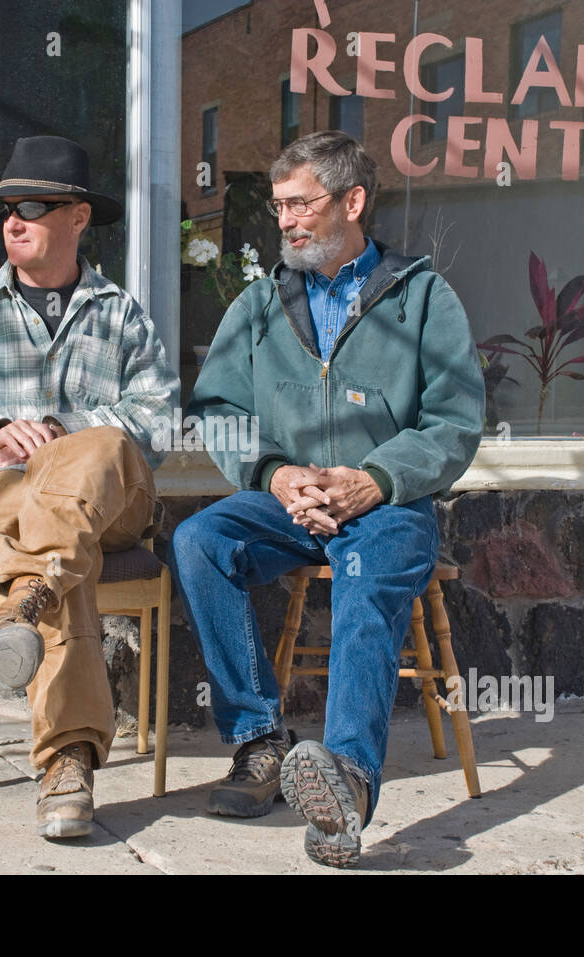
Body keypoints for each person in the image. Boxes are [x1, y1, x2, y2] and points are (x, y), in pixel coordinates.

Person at [169, 130, 485, 868]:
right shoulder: (257, 305)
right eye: (278, 206)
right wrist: (275, 474)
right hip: (287, 501)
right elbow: (218, 408)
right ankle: (258, 744)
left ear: (353, 201)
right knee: (200, 541)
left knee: (365, 579)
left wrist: (373, 478)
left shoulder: (424, 297)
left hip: (386, 508)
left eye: (300, 204)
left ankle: (345, 784)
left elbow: (456, 421)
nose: (285, 221)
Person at [0, 135, 179, 840]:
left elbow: (159, 425)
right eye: (4, 209)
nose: (11, 221)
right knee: (60, 557)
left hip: (109, 506)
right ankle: (66, 761)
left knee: (102, 448)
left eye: (30, 206)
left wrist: (60, 429)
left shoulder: (123, 315)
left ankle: (22, 622)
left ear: (78, 216)